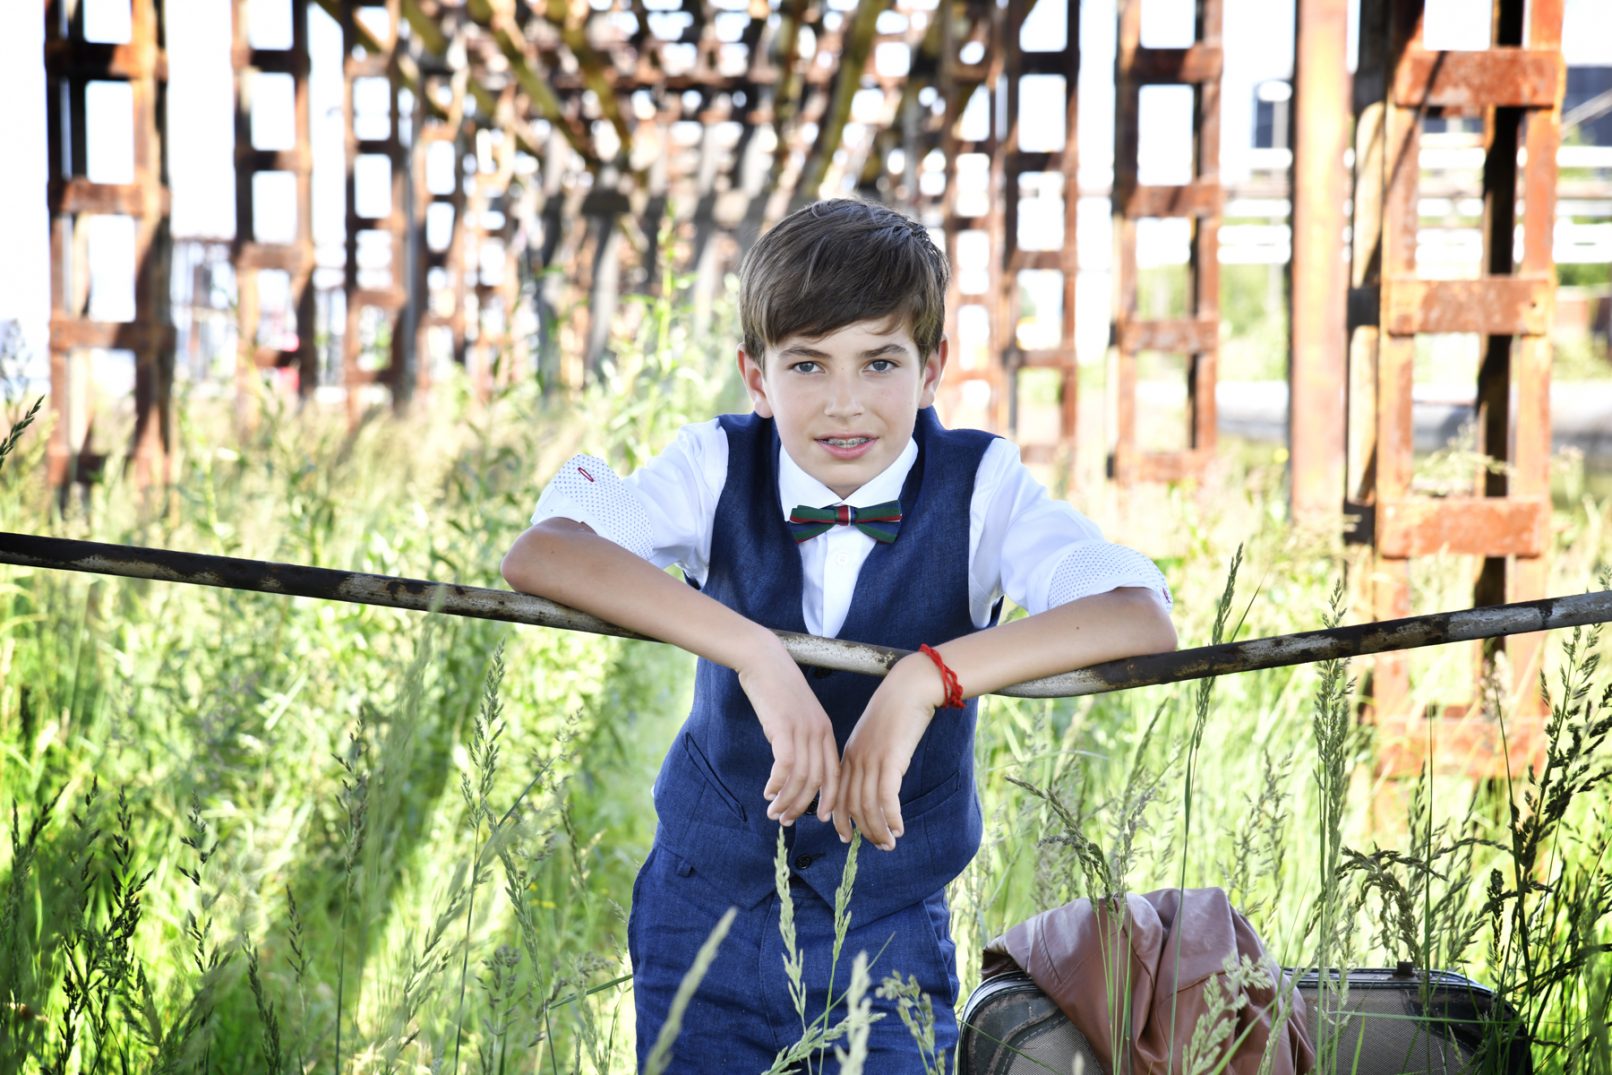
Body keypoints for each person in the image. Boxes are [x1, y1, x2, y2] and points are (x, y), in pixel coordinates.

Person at [500, 198, 1177, 1073]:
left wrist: (924, 678)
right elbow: (546, 551)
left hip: (887, 932)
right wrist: (754, 651)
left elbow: (1135, 614)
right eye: (808, 365)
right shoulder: (717, 463)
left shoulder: (981, 488)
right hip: (701, 914)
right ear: (756, 378)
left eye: (880, 362)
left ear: (932, 369)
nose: (844, 403)